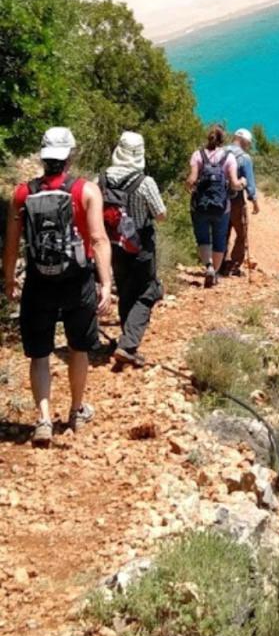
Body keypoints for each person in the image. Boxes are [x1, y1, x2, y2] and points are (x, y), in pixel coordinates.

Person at [2, 127, 112, 446]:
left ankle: (43, 419)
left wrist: (9, 278)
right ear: (70, 156)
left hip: (38, 281)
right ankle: (76, 411)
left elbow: (10, 244)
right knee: (79, 347)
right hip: (78, 280)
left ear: (43, 156)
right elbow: (98, 239)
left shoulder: (22, 193)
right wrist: (105, 283)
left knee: (40, 353)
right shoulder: (86, 191)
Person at [100, 131, 166, 368]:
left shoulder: (103, 178)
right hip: (140, 246)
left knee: (126, 290)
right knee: (148, 291)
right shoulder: (144, 182)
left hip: (113, 244)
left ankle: (125, 339)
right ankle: (128, 345)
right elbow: (161, 215)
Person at [187, 126, 244, 287]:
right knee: (219, 241)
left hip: (200, 206)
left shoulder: (198, 155)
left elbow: (191, 181)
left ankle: (209, 267)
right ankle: (215, 273)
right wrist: (242, 183)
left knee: (203, 238)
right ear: (222, 139)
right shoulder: (229, 157)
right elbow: (234, 184)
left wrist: (191, 186)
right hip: (222, 207)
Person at [225, 128, 259, 277]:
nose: (248, 146)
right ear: (244, 141)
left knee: (222, 232)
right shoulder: (244, 158)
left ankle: (219, 262)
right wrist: (255, 202)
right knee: (241, 232)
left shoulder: (221, 151)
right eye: (248, 144)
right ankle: (234, 265)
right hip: (236, 200)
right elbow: (250, 184)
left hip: (219, 199)